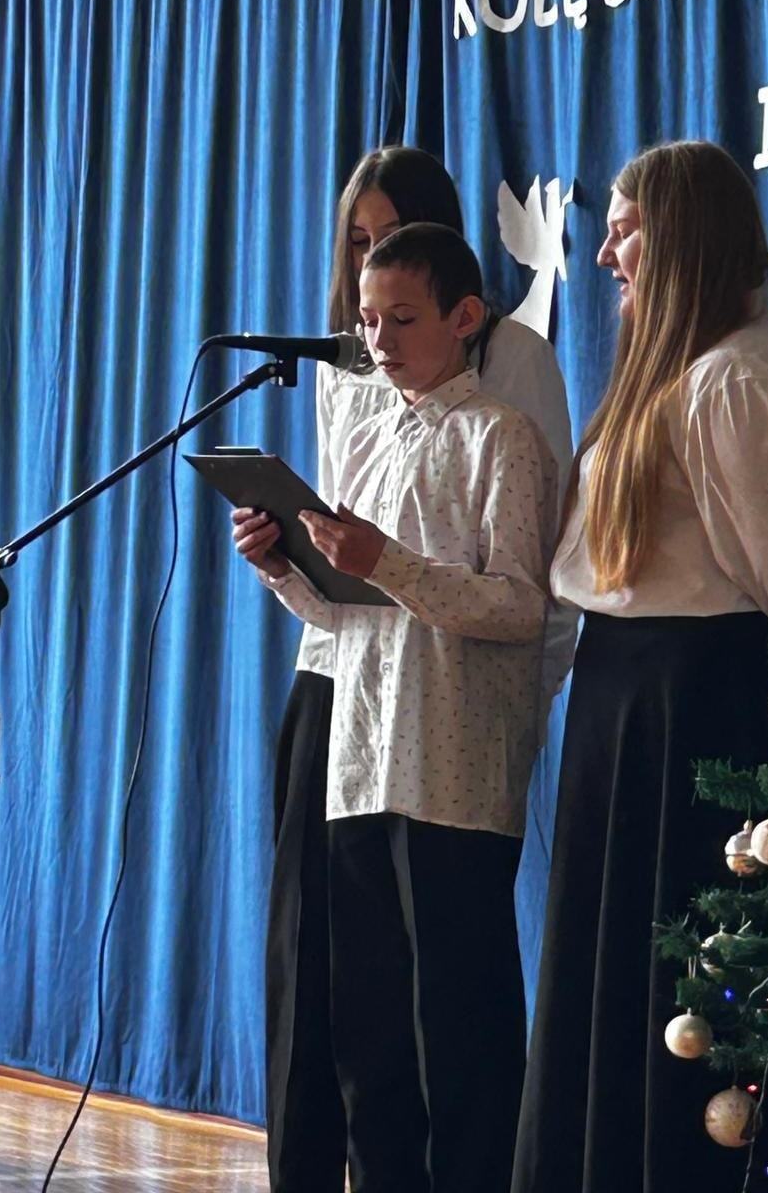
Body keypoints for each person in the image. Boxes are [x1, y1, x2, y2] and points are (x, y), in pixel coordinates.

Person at [510, 142, 768, 1193]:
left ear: (678, 239)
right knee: (623, 982)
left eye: (625, 231)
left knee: (700, 996)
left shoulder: (738, 379)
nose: (605, 256)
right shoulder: (679, 371)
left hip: (703, 717)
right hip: (629, 703)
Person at [255, 147, 572, 1193]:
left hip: (451, 769)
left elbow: (520, 605)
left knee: (459, 1035)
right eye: (367, 317)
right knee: (368, 1031)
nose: (378, 341)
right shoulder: (371, 431)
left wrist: (383, 562)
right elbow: (353, 615)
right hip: (361, 758)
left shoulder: (501, 438)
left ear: (464, 317)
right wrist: (286, 569)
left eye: (399, 319)